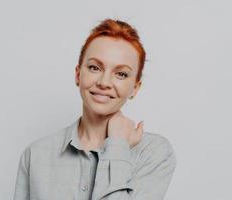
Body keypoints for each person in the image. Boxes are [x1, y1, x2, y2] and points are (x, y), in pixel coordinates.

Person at [13, 18, 177, 200]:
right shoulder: (36, 155)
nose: (104, 82)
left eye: (121, 74)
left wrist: (117, 145)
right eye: (94, 67)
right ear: (78, 74)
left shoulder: (153, 153)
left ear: (135, 88)